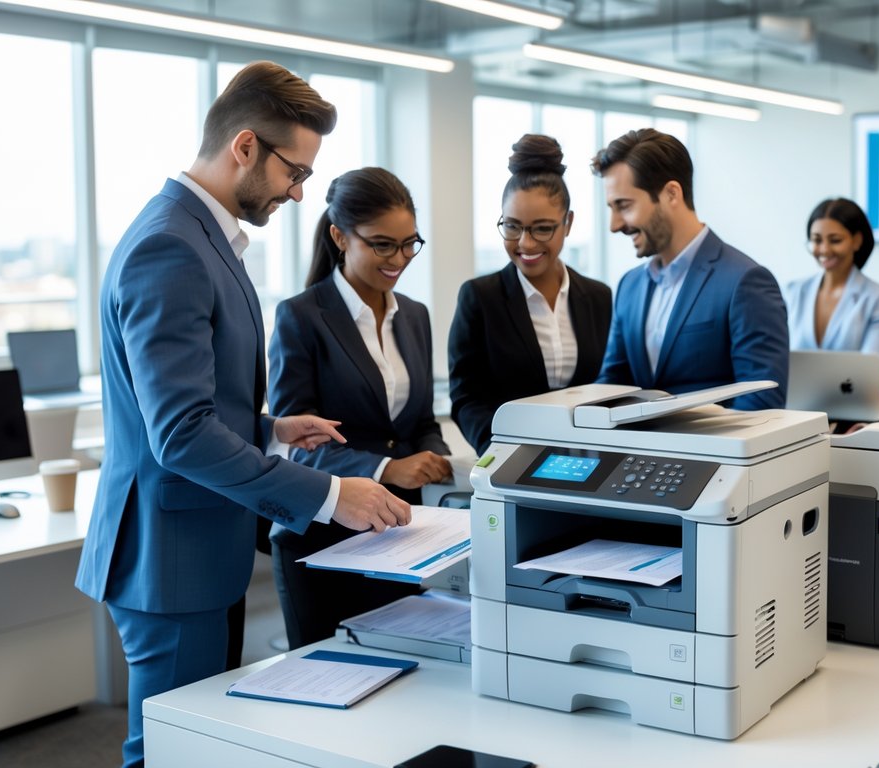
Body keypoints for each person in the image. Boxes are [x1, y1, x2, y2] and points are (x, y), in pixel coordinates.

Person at [74, 62, 411, 767]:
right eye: (296, 172)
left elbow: (186, 403)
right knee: (168, 750)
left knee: (198, 744)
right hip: (168, 556)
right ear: (246, 146)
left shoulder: (197, 235)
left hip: (195, 544)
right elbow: (179, 433)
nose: (298, 192)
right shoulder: (172, 245)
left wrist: (271, 430)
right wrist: (328, 493)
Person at [268, 167, 452, 649]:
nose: (400, 259)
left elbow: (421, 420)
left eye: (410, 243)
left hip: (399, 535)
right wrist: (389, 468)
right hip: (325, 538)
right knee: (327, 684)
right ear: (339, 236)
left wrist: (436, 460)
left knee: (404, 677)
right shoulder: (301, 317)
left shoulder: (414, 315)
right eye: (382, 245)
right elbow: (299, 446)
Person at [590, 128, 788, 408]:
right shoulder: (629, 286)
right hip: (638, 452)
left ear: (672, 193)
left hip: (712, 451)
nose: (614, 225)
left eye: (624, 205)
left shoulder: (744, 281)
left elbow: (762, 400)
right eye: (611, 208)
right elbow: (612, 386)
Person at [449, 134, 613, 454]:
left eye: (541, 228)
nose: (525, 243)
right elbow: (467, 398)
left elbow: (611, 386)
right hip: (511, 458)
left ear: (568, 223)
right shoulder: (479, 298)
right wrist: (500, 451)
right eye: (512, 227)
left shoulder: (598, 297)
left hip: (592, 459)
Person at [784, 197, 879, 356]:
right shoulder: (792, 291)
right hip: (794, 382)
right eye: (816, 240)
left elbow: (869, 366)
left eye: (835, 240)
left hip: (854, 382)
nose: (824, 250)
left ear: (857, 241)